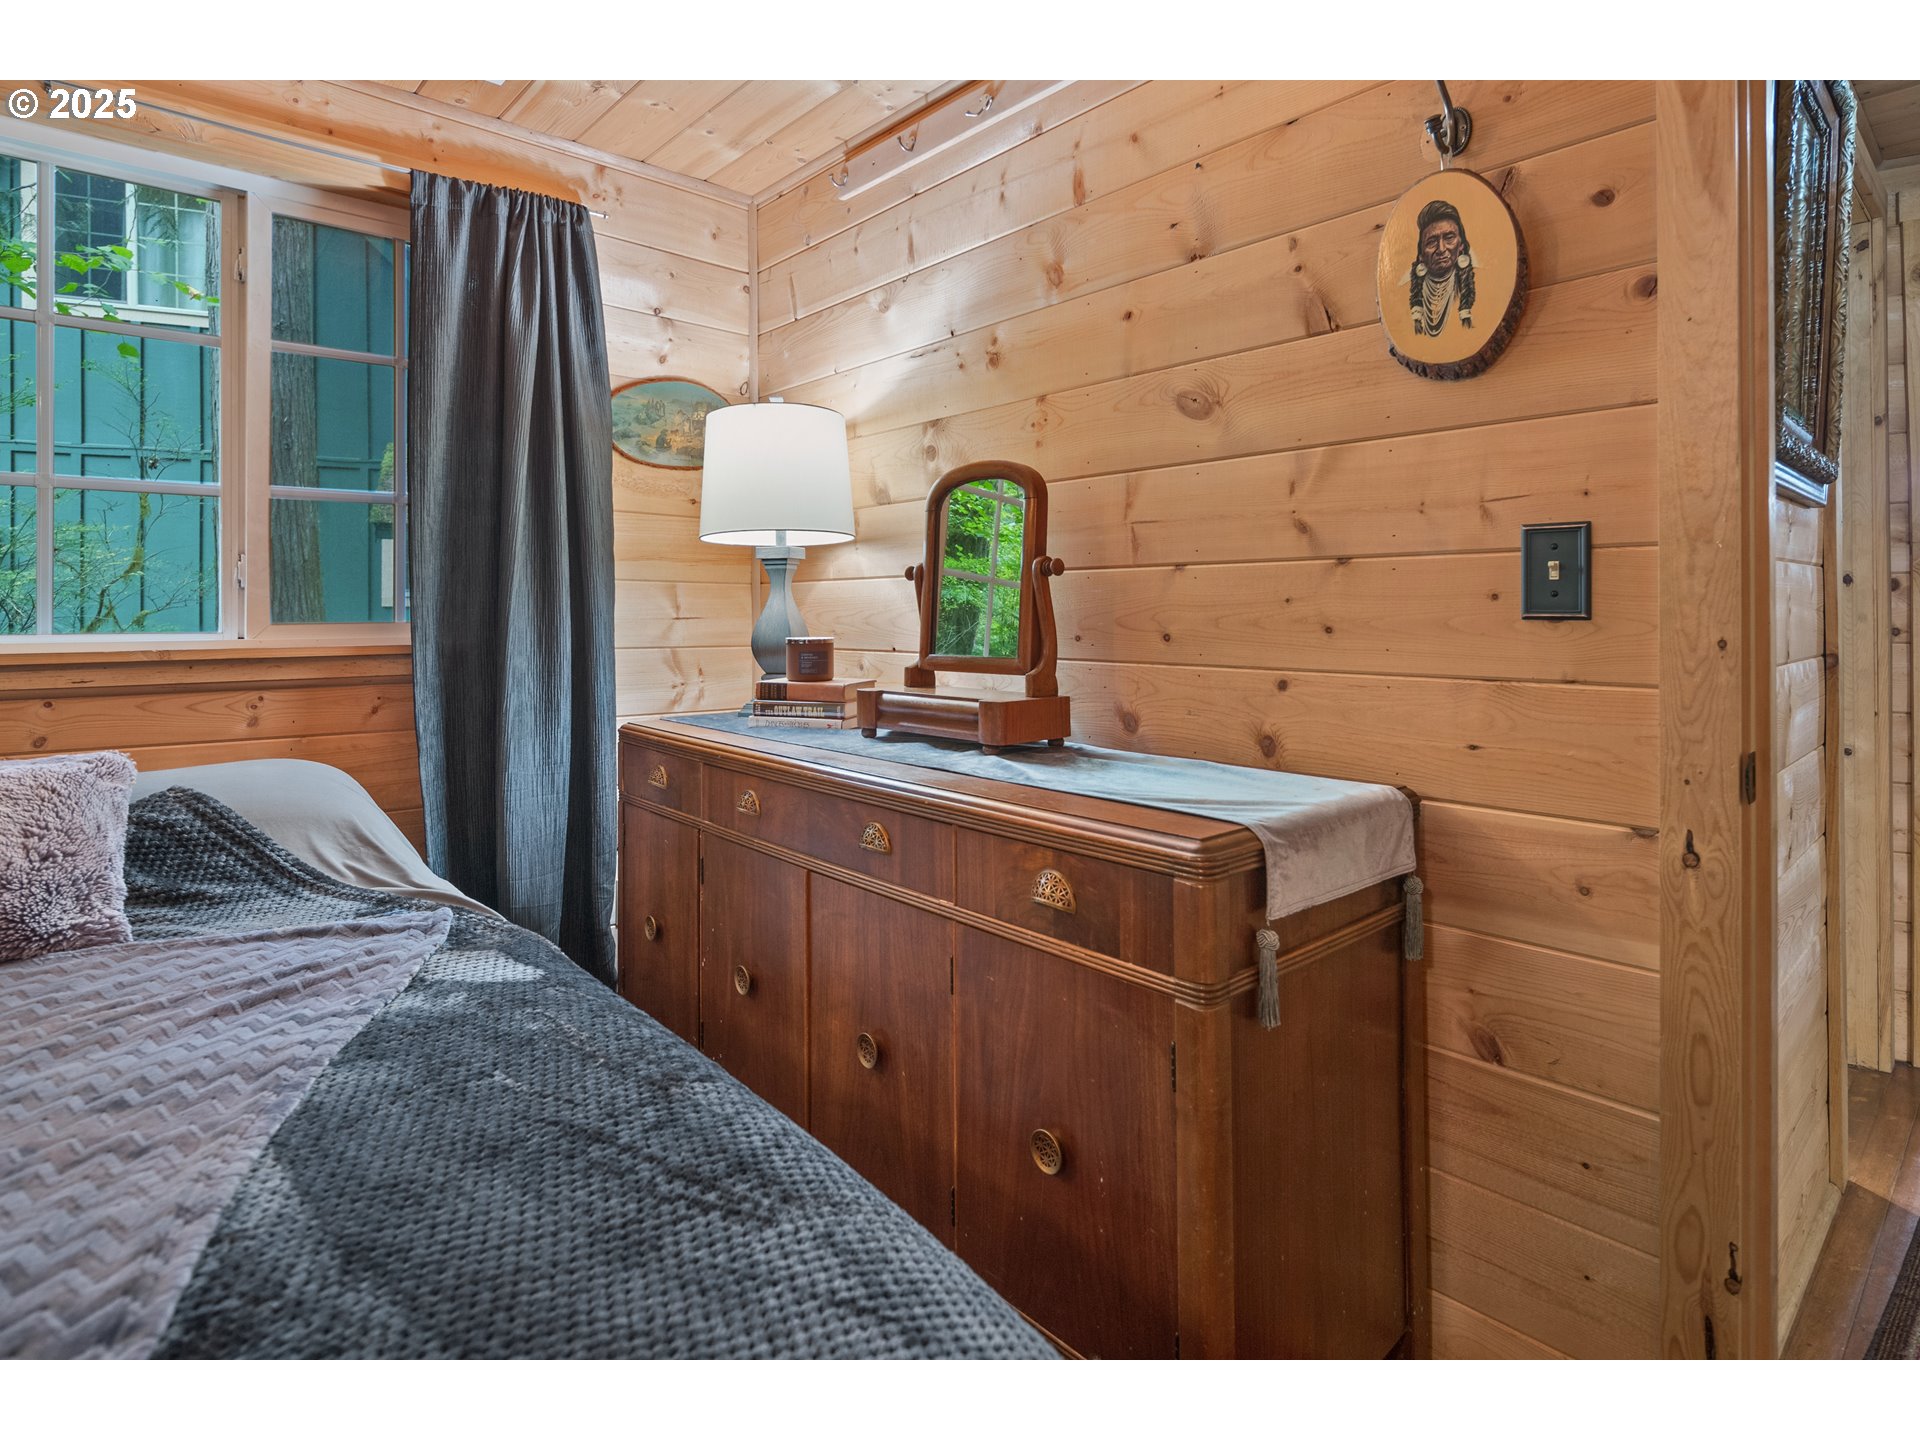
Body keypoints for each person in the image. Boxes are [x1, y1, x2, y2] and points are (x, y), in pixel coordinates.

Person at [1407, 198, 1476, 336]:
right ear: (1421, 253)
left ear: (1461, 244)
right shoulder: (1409, 288)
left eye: (1449, 237)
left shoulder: (1477, 283)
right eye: (1432, 242)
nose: (1441, 248)